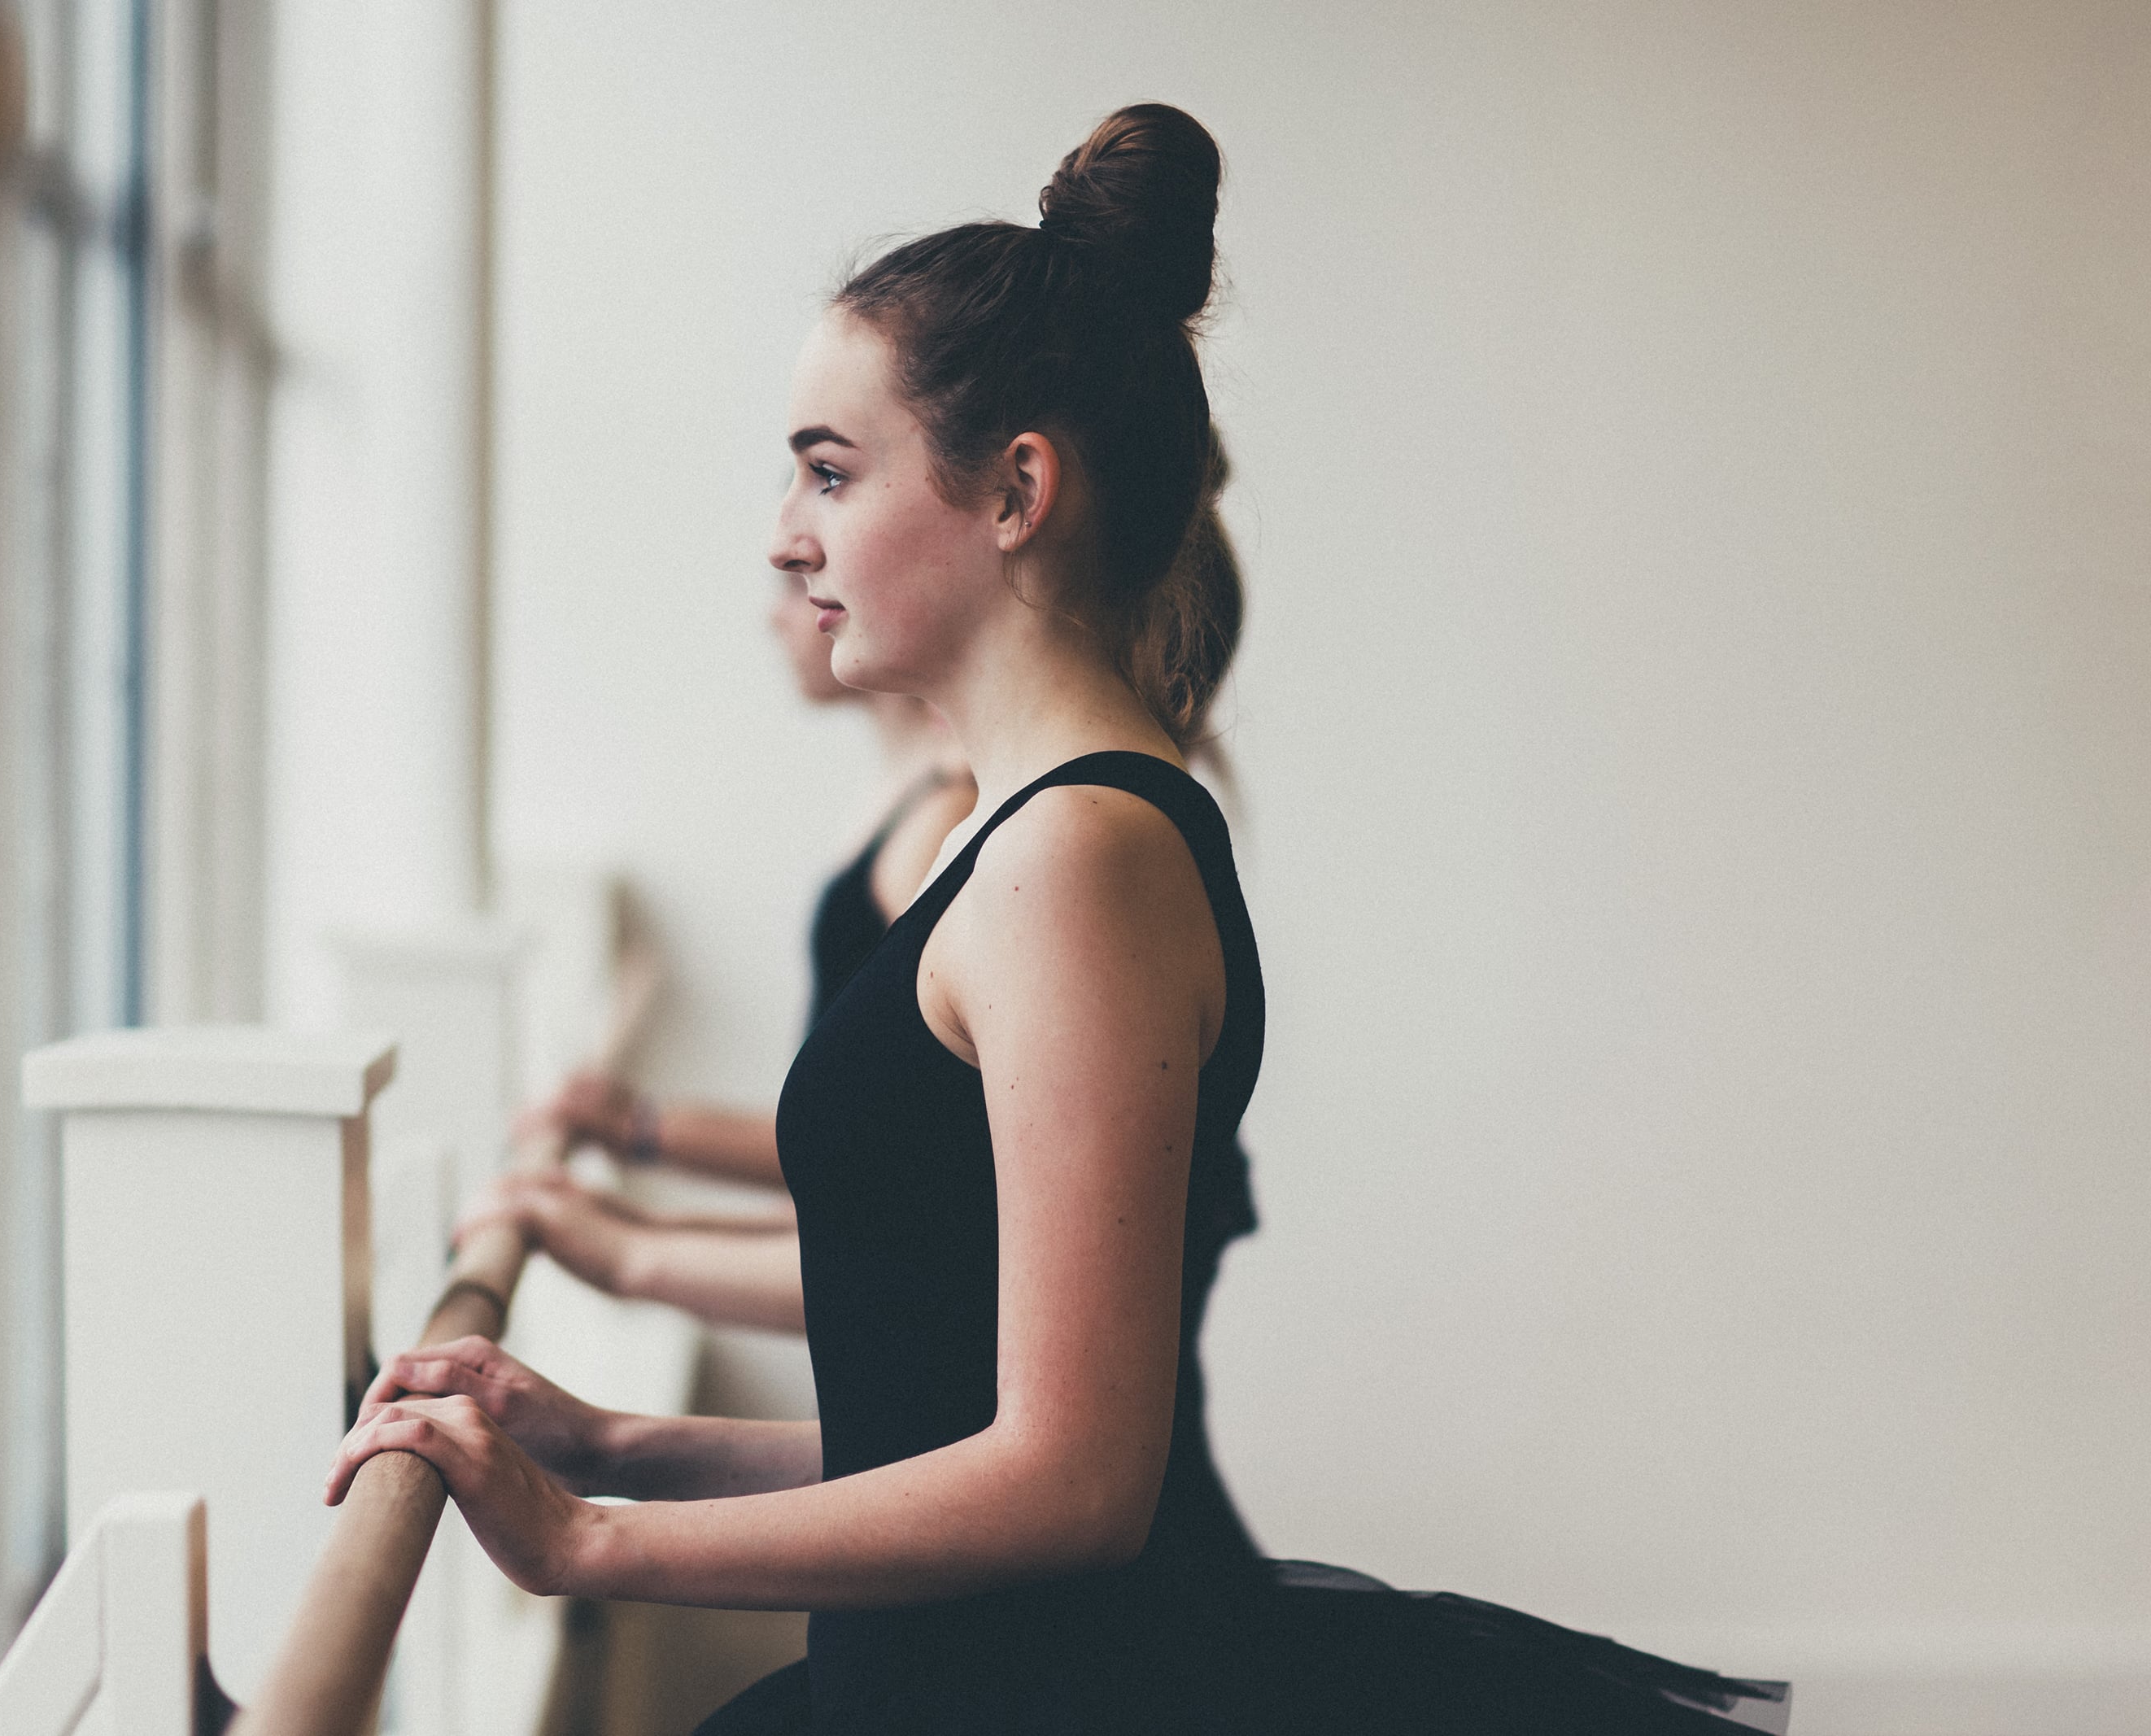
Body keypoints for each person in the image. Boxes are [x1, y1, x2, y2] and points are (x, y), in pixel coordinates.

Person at [333, 104, 1790, 1734]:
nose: (783, 532)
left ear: (1017, 488)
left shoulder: (1077, 859)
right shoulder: (1042, 844)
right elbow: (946, 1424)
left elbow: (1077, 1477)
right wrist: (604, 1440)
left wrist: (598, 1538)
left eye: (830, 469)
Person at [474, 572, 978, 1334]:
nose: (774, 617)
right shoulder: (908, 800)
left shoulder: (939, 824)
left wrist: (634, 1239)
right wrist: (638, 1175)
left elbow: (925, 1195)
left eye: (795, 584)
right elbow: (857, 1162)